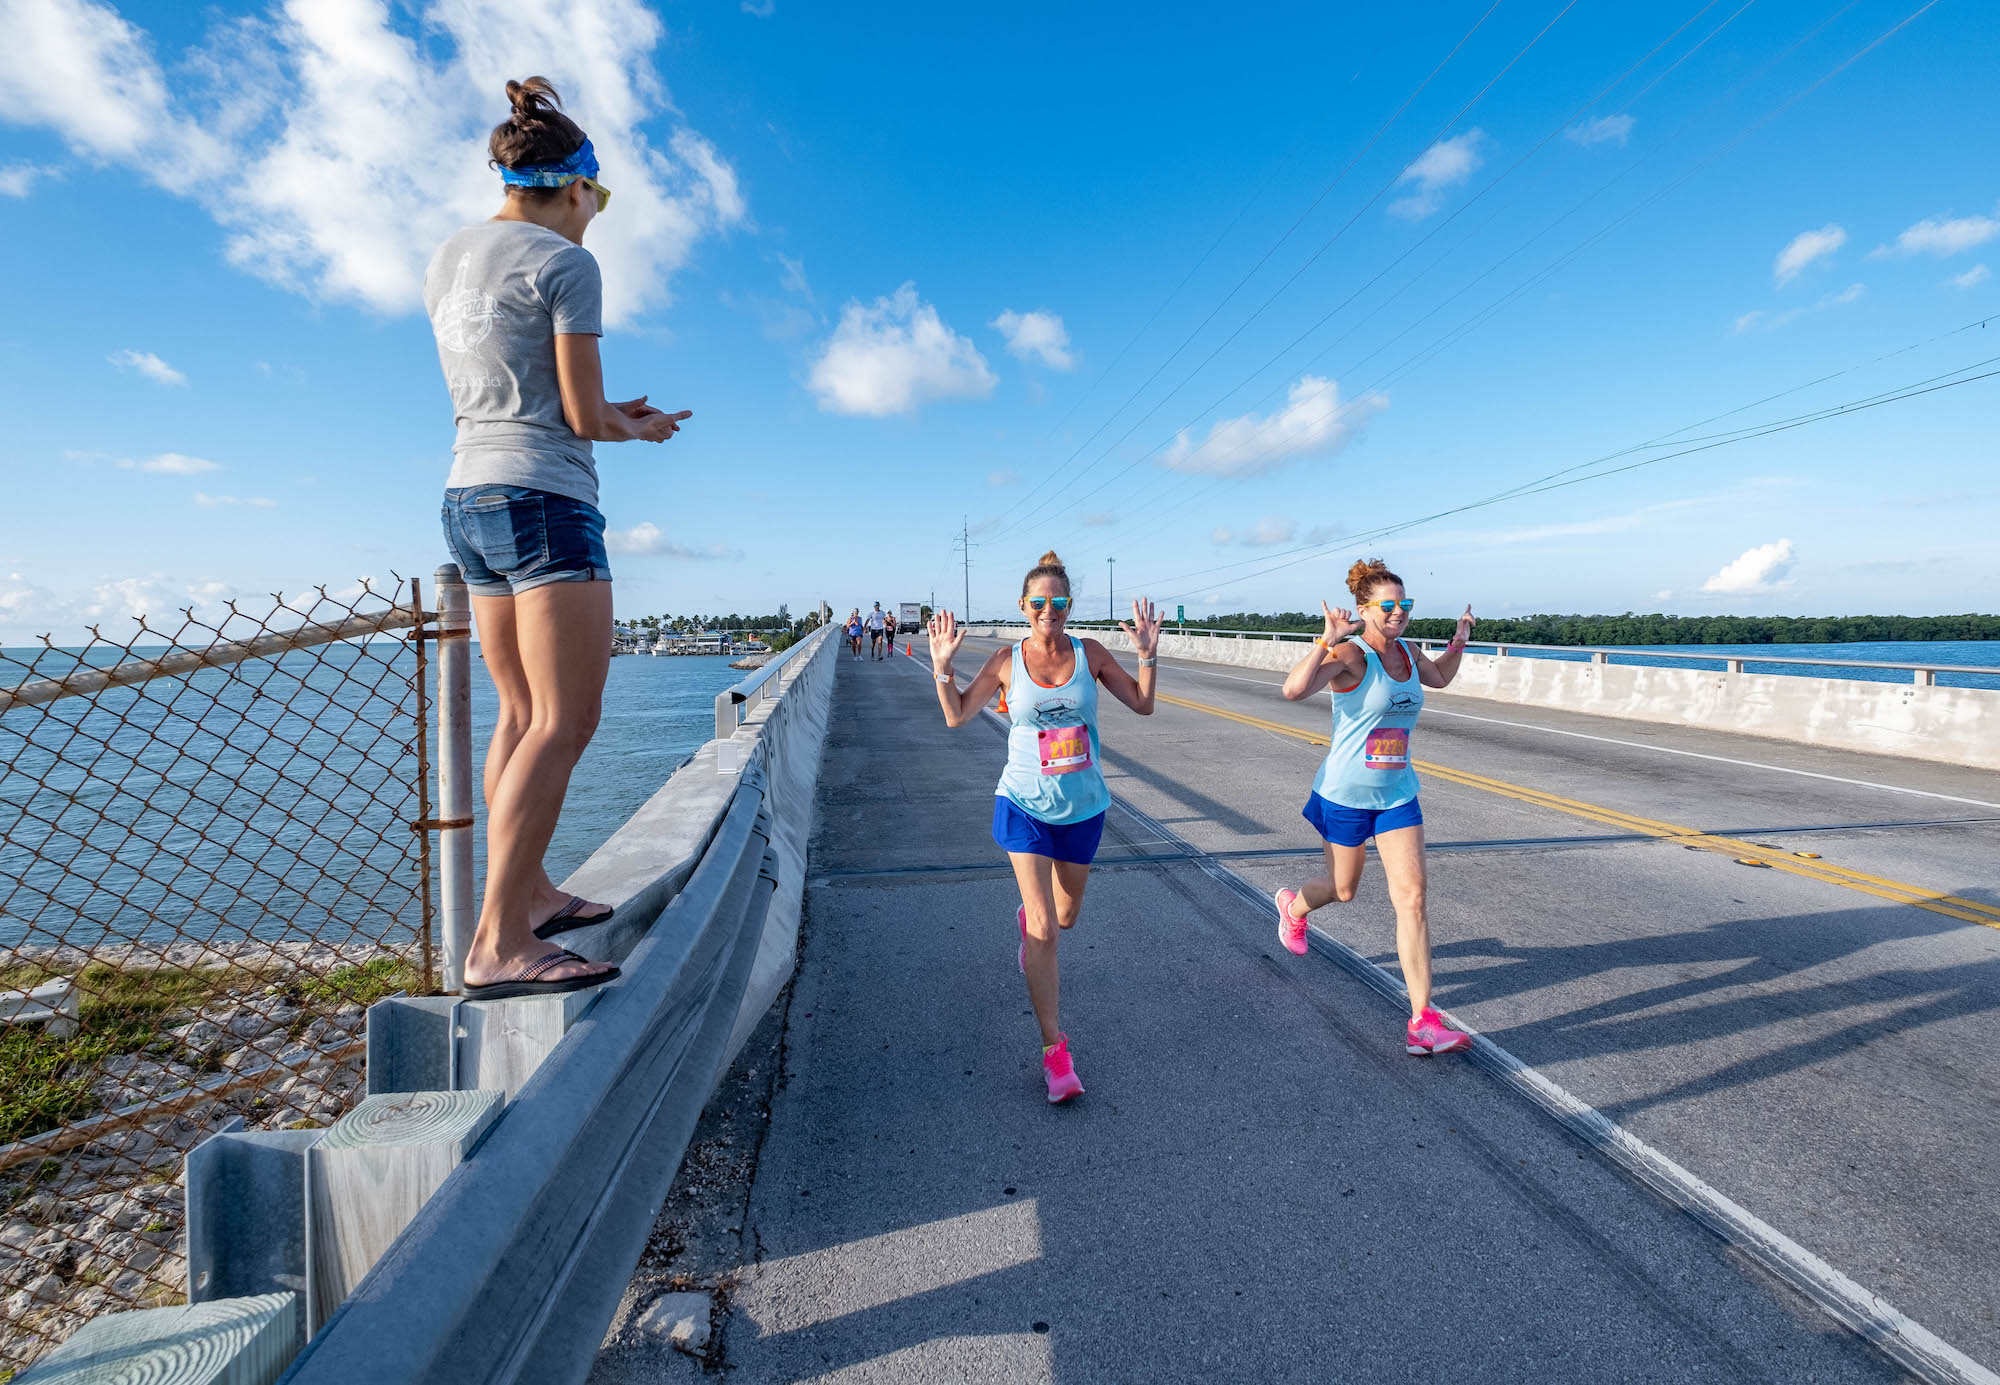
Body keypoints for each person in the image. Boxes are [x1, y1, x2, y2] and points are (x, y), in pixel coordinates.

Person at [426, 77, 692, 1000]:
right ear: (575, 184)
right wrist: (635, 427)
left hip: (470, 494)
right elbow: (574, 414)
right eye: (599, 200)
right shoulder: (566, 263)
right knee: (566, 718)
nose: (596, 218)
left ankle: (526, 894)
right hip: (546, 501)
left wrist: (603, 413)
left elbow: (520, 392)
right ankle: (500, 941)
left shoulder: (451, 258)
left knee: (516, 711)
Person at [927, 550, 1161, 1103]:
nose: (1048, 611)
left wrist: (1148, 656)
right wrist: (941, 666)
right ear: (1023, 606)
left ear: (1069, 606)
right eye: (1039, 602)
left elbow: (1144, 705)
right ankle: (1056, 1055)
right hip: (1023, 803)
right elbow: (957, 714)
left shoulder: (1091, 654)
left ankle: (1033, 926)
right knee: (1044, 929)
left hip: (1084, 806)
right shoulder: (1009, 661)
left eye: (1058, 602)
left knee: (1065, 916)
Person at [1272, 558, 1476, 1055]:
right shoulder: (1350, 653)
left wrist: (1460, 640)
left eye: (1405, 605)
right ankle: (1293, 907)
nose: (1399, 614)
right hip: (1345, 793)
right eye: (1388, 606)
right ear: (1365, 610)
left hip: (1397, 794)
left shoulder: (1409, 649)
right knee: (1343, 890)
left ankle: (1422, 1021)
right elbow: (1293, 690)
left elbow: (1442, 679)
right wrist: (1325, 638)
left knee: (1413, 897)